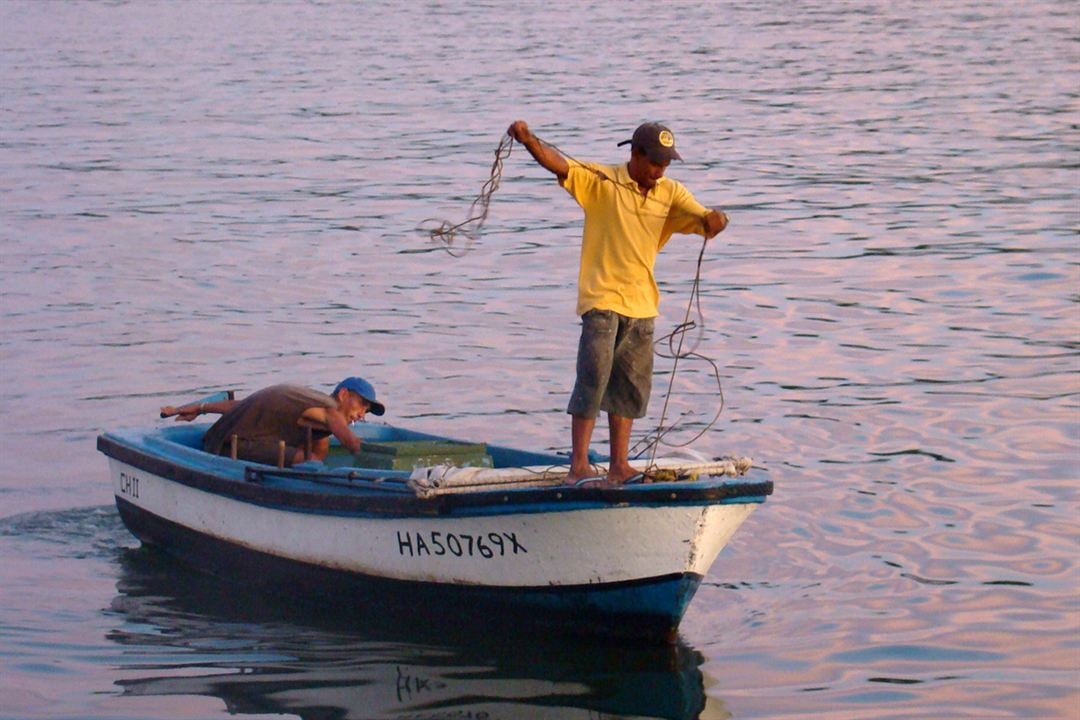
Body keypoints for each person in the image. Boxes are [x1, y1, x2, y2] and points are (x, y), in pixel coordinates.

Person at [507, 120, 729, 484]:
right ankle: (578, 464)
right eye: (654, 162)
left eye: (665, 164)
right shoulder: (602, 182)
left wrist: (717, 220)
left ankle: (619, 465)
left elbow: (706, 219)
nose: (659, 171)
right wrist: (529, 140)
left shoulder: (670, 193)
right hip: (602, 299)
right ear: (635, 154)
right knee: (593, 379)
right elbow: (559, 164)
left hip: (642, 305)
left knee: (628, 388)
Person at [159, 377, 386, 467]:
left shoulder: (310, 403)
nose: (362, 415)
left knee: (317, 452)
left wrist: (199, 409)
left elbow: (244, 405)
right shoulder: (329, 409)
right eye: (361, 406)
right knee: (310, 458)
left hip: (225, 440)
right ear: (344, 395)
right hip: (227, 447)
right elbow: (350, 442)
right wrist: (373, 456)